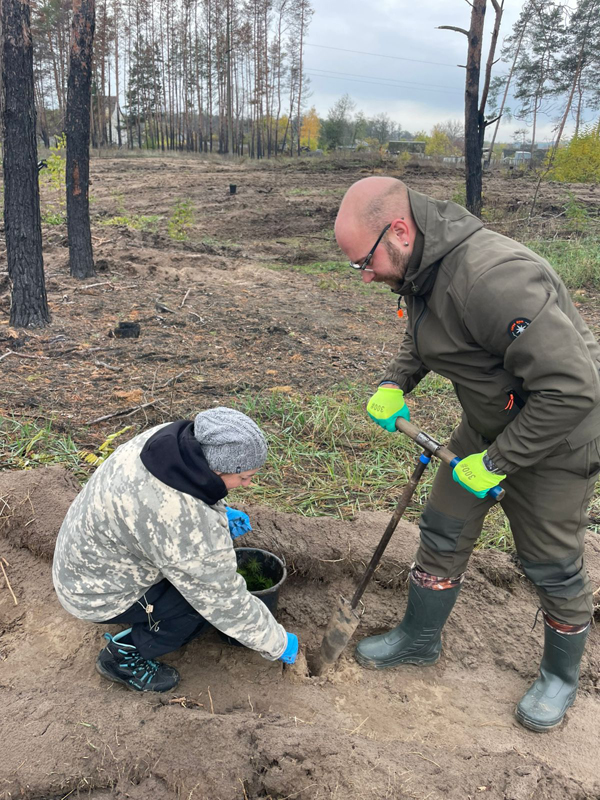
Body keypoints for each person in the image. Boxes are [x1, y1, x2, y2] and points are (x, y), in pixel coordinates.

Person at [334, 176, 600, 732]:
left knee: (551, 565)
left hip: (556, 437)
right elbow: (426, 330)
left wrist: (498, 463)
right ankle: (418, 638)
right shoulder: (420, 266)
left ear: (399, 230)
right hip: (487, 424)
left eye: (365, 262)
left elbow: (574, 389)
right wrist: (396, 381)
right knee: (443, 525)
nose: (367, 276)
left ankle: (559, 678)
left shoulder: (495, 281)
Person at [52, 407, 298, 693]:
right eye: (244, 478)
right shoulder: (183, 522)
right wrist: (276, 643)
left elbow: (185, 493)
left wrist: (218, 510)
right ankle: (122, 657)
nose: (249, 484)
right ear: (218, 470)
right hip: (95, 592)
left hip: (85, 555)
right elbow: (223, 602)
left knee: (195, 581)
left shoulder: (169, 441)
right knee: (196, 609)